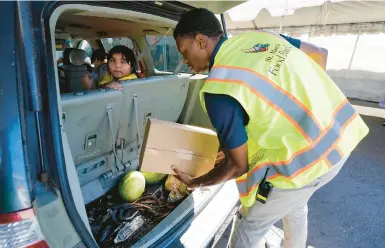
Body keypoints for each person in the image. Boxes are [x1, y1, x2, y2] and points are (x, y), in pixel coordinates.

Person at [171, 8, 369, 248]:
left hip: (303, 164)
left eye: (184, 52)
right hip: (341, 140)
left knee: (248, 223)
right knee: (295, 207)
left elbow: (238, 165)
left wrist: (196, 182)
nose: (184, 60)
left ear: (201, 41)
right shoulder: (262, 37)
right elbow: (319, 55)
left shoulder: (218, 87)